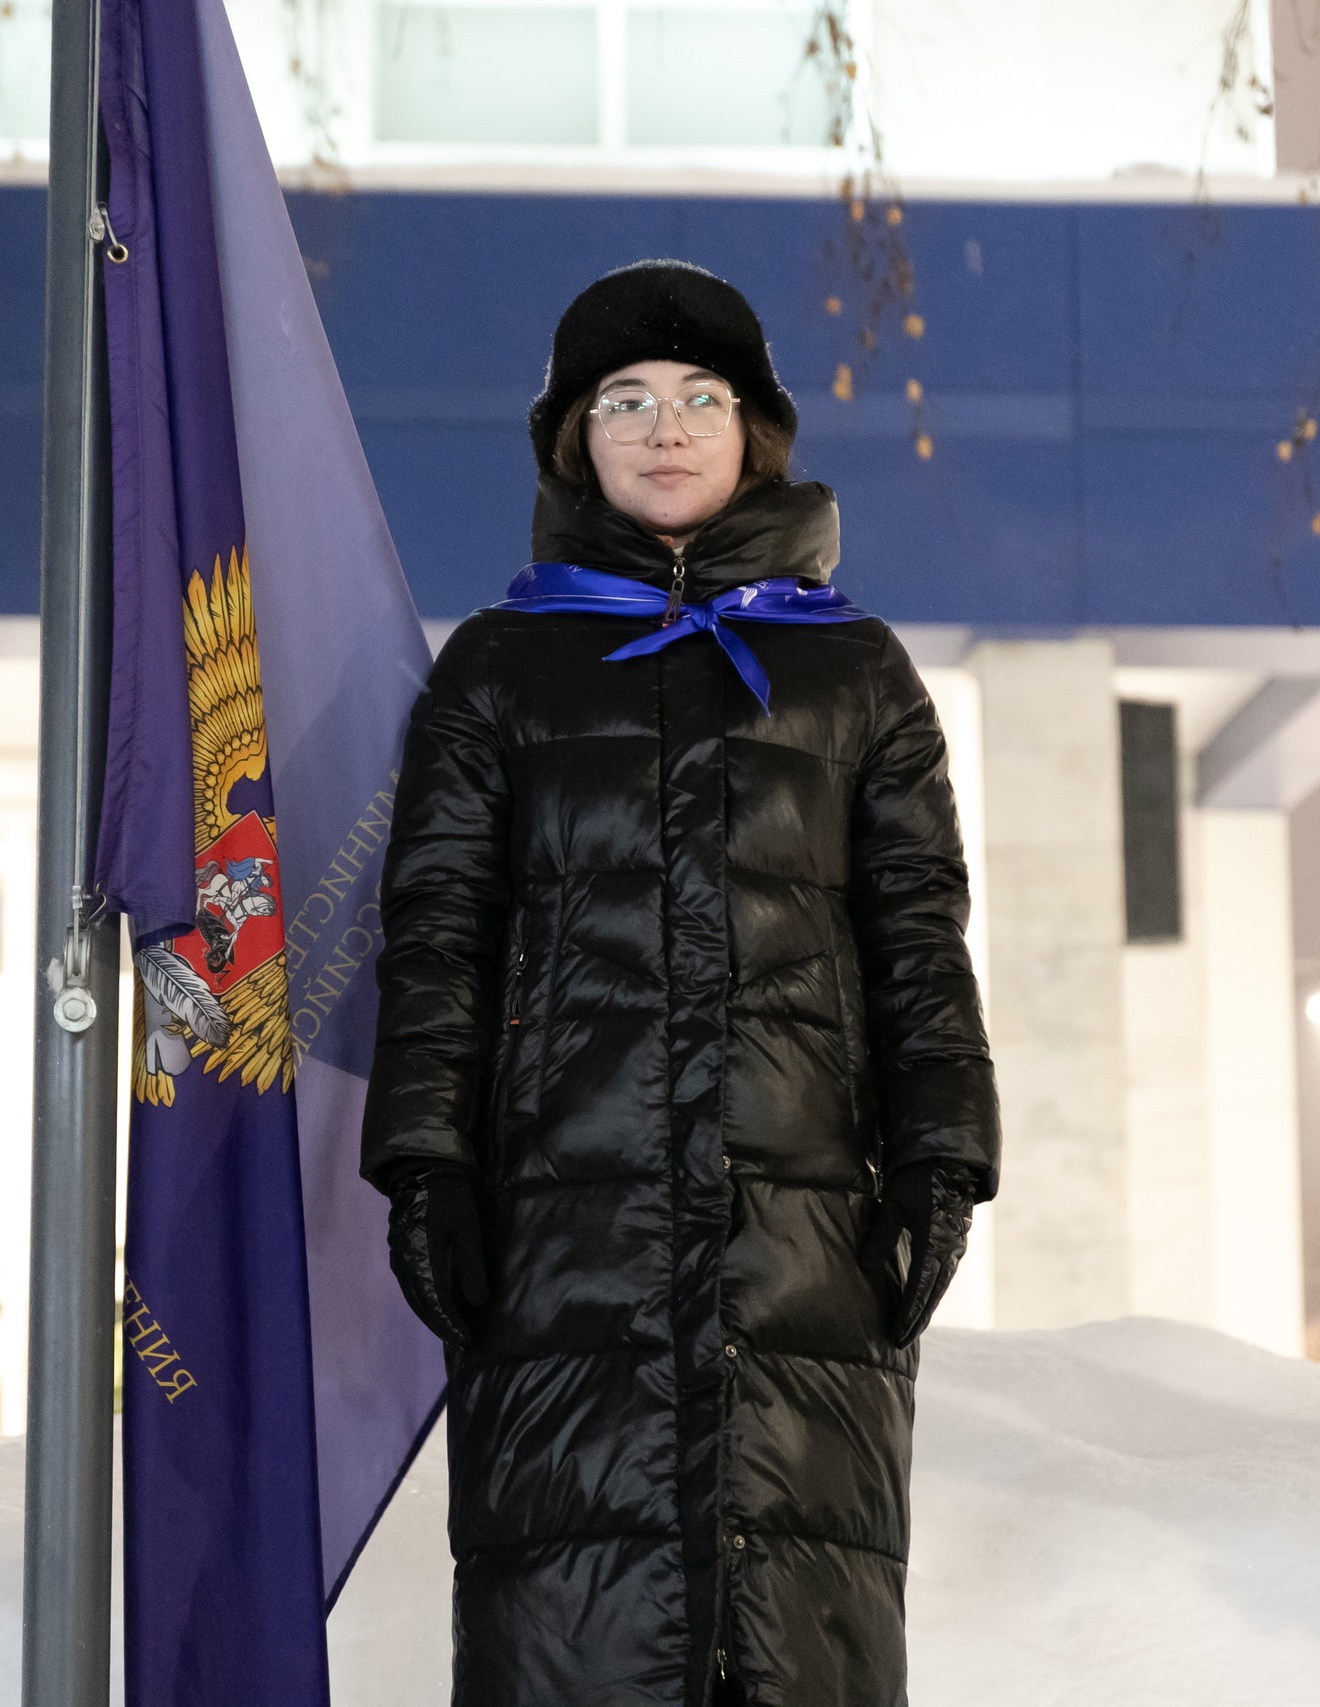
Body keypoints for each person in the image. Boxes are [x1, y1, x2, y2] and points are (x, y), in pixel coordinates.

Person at [361, 259, 1000, 1707]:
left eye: (702, 398)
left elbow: (918, 933)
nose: (666, 428)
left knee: (797, 1626)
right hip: (559, 1231)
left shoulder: (855, 672)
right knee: (572, 1626)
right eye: (626, 400)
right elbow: (438, 932)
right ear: (573, 439)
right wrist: (425, 1164)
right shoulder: (498, 669)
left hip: (805, 1232)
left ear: (753, 432)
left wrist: (943, 1160)